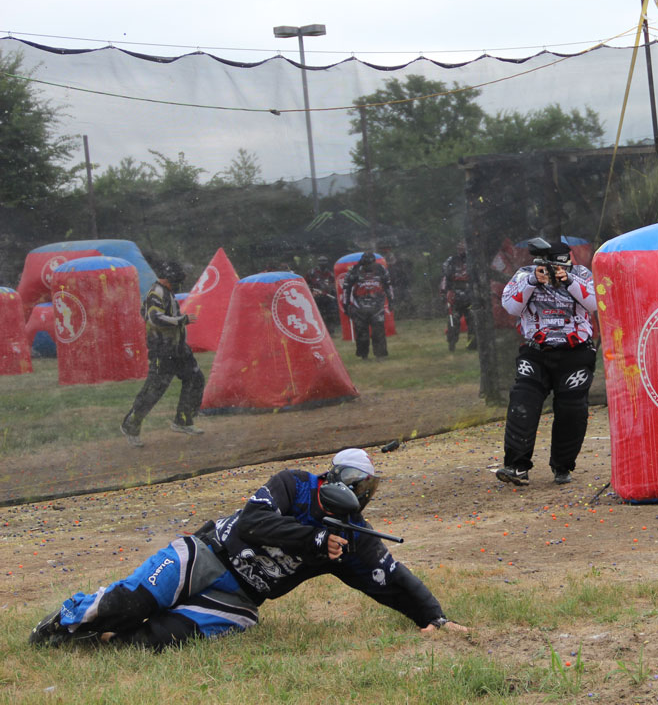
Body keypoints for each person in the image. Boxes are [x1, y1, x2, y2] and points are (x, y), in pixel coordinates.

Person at [29, 448, 467, 650]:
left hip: (239, 599)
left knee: (156, 641)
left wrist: (434, 618)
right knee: (129, 603)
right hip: (205, 555)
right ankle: (65, 620)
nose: (360, 495)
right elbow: (253, 523)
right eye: (357, 485)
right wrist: (313, 538)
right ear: (333, 478)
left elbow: (389, 578)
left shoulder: (352, 536)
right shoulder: (294, 485)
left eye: (365, 490)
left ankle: (103, 641)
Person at [495, 238, 598, 486]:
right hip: (536, 352)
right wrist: (533, 281)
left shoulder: (582, 274)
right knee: (522, 402)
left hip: (575, 353)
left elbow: (596, 303)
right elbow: (510, 306)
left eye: (556, 266)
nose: (551, 271)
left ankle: (562, 466)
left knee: (572, 410)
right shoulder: (525, 274)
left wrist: (569, 281)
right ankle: (517, 465)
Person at [121, 259, 206, 447]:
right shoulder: (156, 293)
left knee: (195, 379)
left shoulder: (167, 292)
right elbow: (154, 319)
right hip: (163, 351)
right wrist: (181, 320)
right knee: (153, 391)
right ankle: (130, 425)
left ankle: (183, 420)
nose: (179, 284)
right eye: (177, 281)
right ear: (168, 279)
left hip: (178, 349)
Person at [341, 251, 393, 360]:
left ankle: (380, 355)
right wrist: (346, 304)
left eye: (370, 264)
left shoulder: (381, 269)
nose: (369, 266)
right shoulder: (354, 270)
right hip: (359, 307)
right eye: (366, 264)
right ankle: (363, 355)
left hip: (377, 306)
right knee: (361, 333)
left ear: (374, 262)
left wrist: (391, 300)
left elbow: (388, 285)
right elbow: (346, 287)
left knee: (378, 332)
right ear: (362, 262)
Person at [440, 241, 476, 352]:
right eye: (459, 248)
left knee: (473, 319)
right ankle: (452, 343)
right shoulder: (450, 261)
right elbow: (445, 277)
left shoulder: (472, 261)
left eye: (463, 248)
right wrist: (443, 293)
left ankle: (472, 344)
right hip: (455, 296)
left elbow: (478, 278)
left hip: (470, 295)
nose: (461, 251)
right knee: (453, 320)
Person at [304, 255, 339, 329]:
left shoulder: (330, 274)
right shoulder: (311, 273)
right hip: (316, 298)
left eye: (324, 261)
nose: (323, 263)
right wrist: (311, 291)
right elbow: (305, 284)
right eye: (321, 261)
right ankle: (318, 329)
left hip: (328, 298)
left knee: (331, 314)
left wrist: (331, 289)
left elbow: (334, 285)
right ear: (318, 263)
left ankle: (329, 330)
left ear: (327, 263)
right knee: (316, 314)